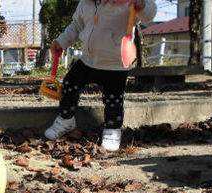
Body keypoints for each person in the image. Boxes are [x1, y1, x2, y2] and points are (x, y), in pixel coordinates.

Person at [43, 0, 156, 151]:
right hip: (88, 59)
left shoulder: (127, 3)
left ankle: (112, 129)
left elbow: (149, 13)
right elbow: (77, 25)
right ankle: (66, 119)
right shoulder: (85, 4)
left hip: (115, 63)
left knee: (113, 98)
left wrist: (142, 6)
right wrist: (62, 41)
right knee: (70, 84)